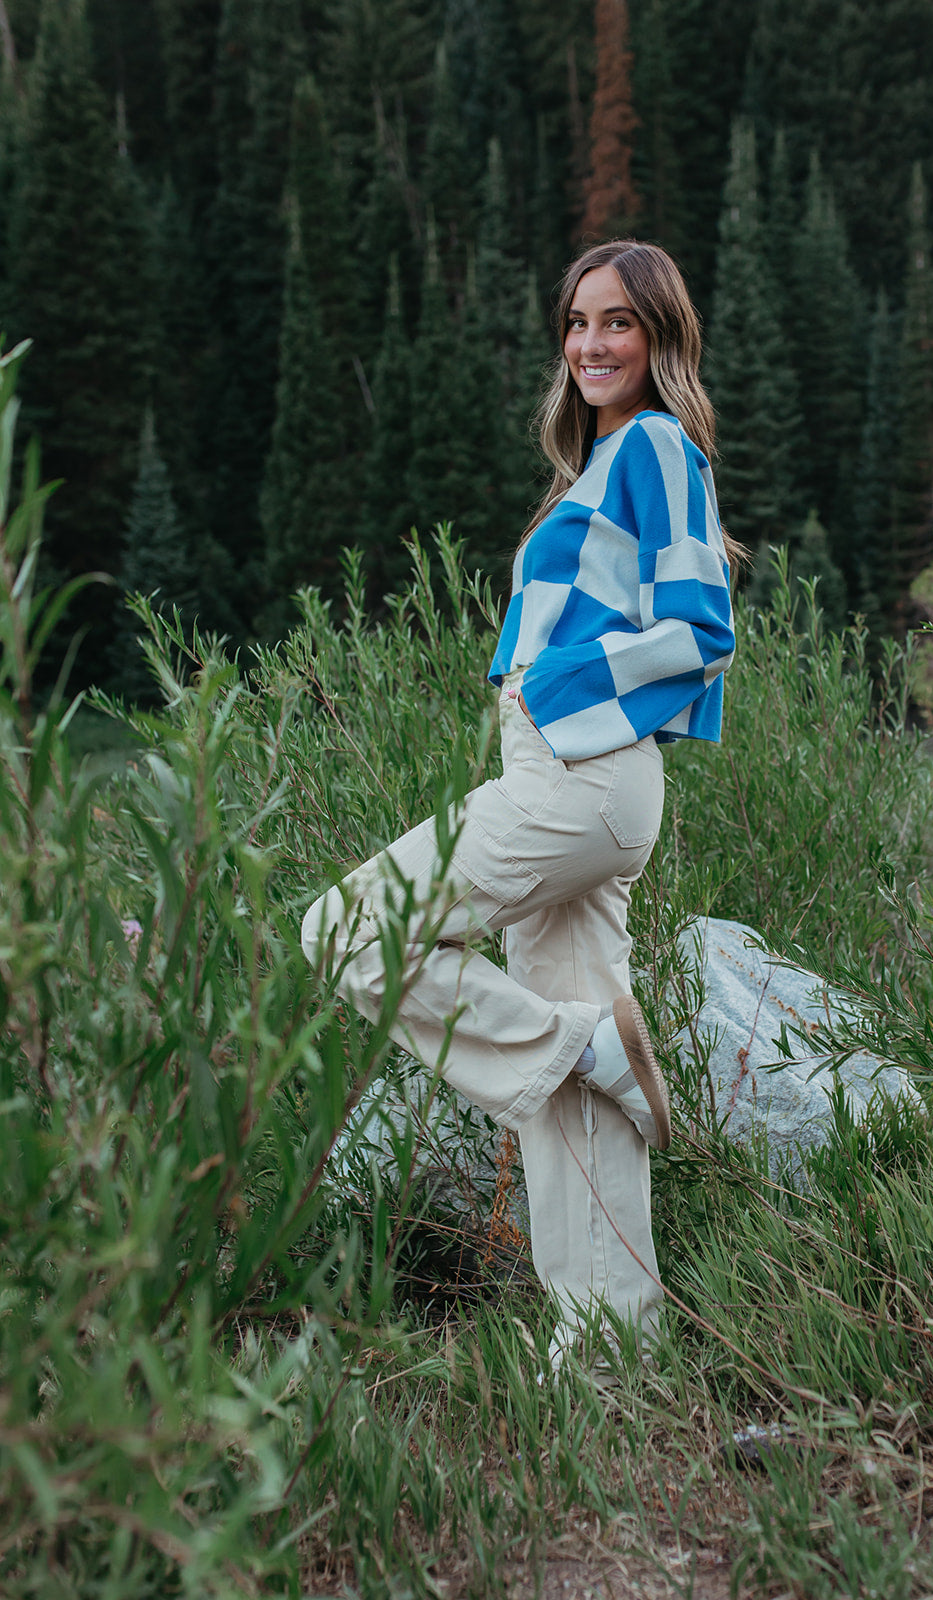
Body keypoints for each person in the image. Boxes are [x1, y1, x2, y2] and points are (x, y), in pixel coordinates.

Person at [301, 239, 741, 1366]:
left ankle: (569, 1040)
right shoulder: (590, 472)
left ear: (659, 339)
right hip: (567, 774)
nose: (592, 343)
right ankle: (606, 1356)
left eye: (619, 324)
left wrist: (551, 690)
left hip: (578, 770)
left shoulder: (654, 445)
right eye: (579, 322)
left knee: (345, 928)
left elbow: (700, 627)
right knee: (578, 1106)